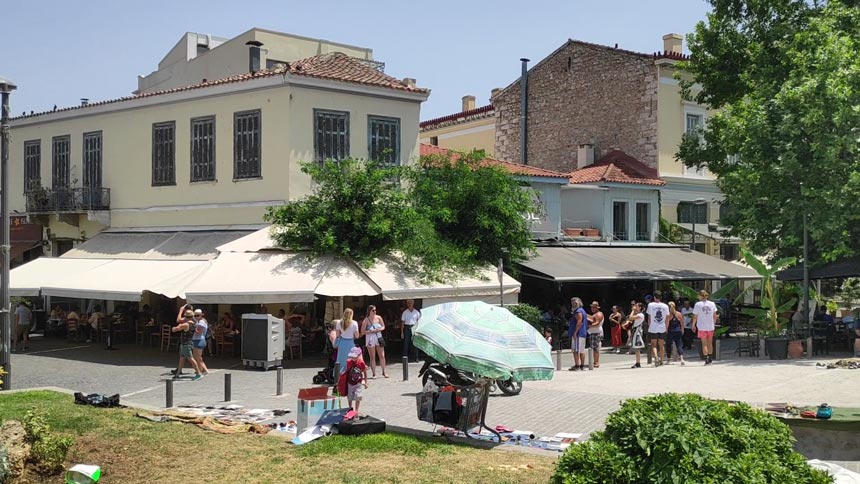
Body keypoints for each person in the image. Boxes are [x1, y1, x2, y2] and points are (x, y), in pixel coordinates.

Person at [172, 305, 202, 380]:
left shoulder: (186, 324)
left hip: (186, 344)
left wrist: (175, 327)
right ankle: (178, 373)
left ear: (186, 317)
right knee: (182, 358)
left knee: (191, 358)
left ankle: (198, 373)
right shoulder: (194, 323)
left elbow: (175, 329)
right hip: (187, 343)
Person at [361, 305, 388, 379]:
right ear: (369, 311)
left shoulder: (378, 317)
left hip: (378, 336)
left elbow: (383, 326)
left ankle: (384, 371)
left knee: (382, 355)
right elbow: (362, 331)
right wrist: (370, 331)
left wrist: (379, 329)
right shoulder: (366, 320)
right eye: (373, 310)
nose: (375, 311)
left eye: (375, 310)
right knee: (372, 356)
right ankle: (374, 373)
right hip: (370, 337)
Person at [692, 290, 719, 365]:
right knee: (710, 343)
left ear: (700, 296)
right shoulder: (712, 304)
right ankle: (710, 357)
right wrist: (713, 323)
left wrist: (693, 325)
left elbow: (695, 316)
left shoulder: (698, 304)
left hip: (701, 326)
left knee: (704, 343)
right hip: (710, 326)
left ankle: (706, 357)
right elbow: (715, 315)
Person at [646, 291, 669, 367]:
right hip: (662, 327)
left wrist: (649, 326)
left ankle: (656, 356)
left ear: (654, 297)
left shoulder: (650, 305)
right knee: (662, 345)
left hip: (653, 327)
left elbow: (649, 317)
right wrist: (666, 327)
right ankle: (662, 360)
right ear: (661, 297)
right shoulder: (665, 306)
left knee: (654, 345)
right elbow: (667, 318)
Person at [344, 346, 368, 413]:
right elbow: (346, 371)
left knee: (358, 396)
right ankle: (350, 408)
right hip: (349, 382)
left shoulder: (361, 362)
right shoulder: (348, 362)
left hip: (358, 382)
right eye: (352, 357)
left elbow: (365, 371)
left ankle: (357, 410)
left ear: (358, 356)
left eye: (354, 357)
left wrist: (366, 382)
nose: (353, 358)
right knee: (350, 396)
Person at [335, 308, 359, 373]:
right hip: (350, 342)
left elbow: (337, 335)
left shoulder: (338, 322)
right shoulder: (354, 323)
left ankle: (339, 375)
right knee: (350, 359)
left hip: (342, 342)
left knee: (340, 359)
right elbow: (357, 336)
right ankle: (349, 375)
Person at [568, 297, 588, 371]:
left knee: (576, 350)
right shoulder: (582, 311)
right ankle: (582, 365)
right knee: (581, 350)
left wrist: (575, 332)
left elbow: (579, 322)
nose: (573, 304)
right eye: (572, 303)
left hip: (578, 334)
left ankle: (577, 365)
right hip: (582, 333)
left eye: (574, 303)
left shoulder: (578, 311)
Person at [192, 309, 210, 375]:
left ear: (201, 315)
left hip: (199, 340)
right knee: (198, 357)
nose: (196, 317)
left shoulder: (201, 322)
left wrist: (193, 328)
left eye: (197, 315)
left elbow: (199, 332)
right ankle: (205, 370)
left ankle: (199, 371)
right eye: (195, 315)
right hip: (199, 340)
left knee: (197, 358)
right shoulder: (200, 321)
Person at [587, 301, 604, 368]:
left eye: (593, 307)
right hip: (593, 333)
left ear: (597, 308)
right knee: (593, 348)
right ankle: (595, 361)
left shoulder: (599, 314)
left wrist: (588, 326)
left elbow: (597, 323)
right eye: (591, 307)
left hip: (596, 333)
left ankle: (596, 362)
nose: (592, 308)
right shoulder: (595, 314)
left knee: (595, 348)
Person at [629, 302, 646, 368]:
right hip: (635, 331)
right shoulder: (638, 314)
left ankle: (638, 362)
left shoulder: (641, 315)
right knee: (636, 348)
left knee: (637, 348)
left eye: (637, 306)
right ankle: (637, 362)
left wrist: (633, 310)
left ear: (640, 307)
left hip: (637, 332)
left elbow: (630, 317)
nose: (635, 307)